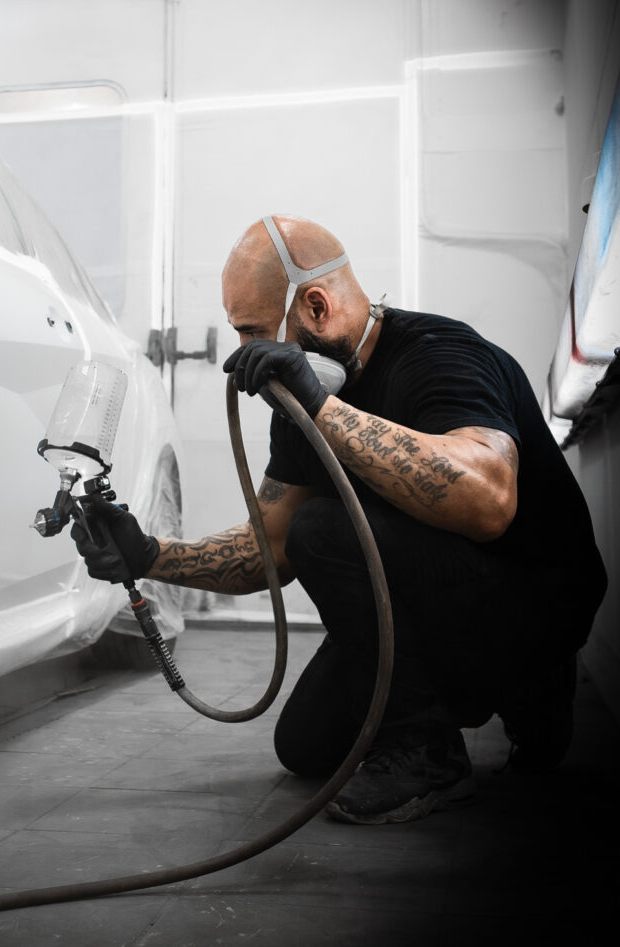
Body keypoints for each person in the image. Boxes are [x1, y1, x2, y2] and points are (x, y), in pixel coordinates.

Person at [72, 214, 608, 826]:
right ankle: (459, 696)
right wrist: (149, 557)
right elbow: (271, 547)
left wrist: (323, 407)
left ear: (317, 307)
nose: (247, 353)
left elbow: (489, 501)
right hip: (423, 591)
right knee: (304, 746)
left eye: (252, 331)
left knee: (323, 530)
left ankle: (450, 737)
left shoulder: (442, 356)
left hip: (531, 599)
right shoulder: (298, 399)